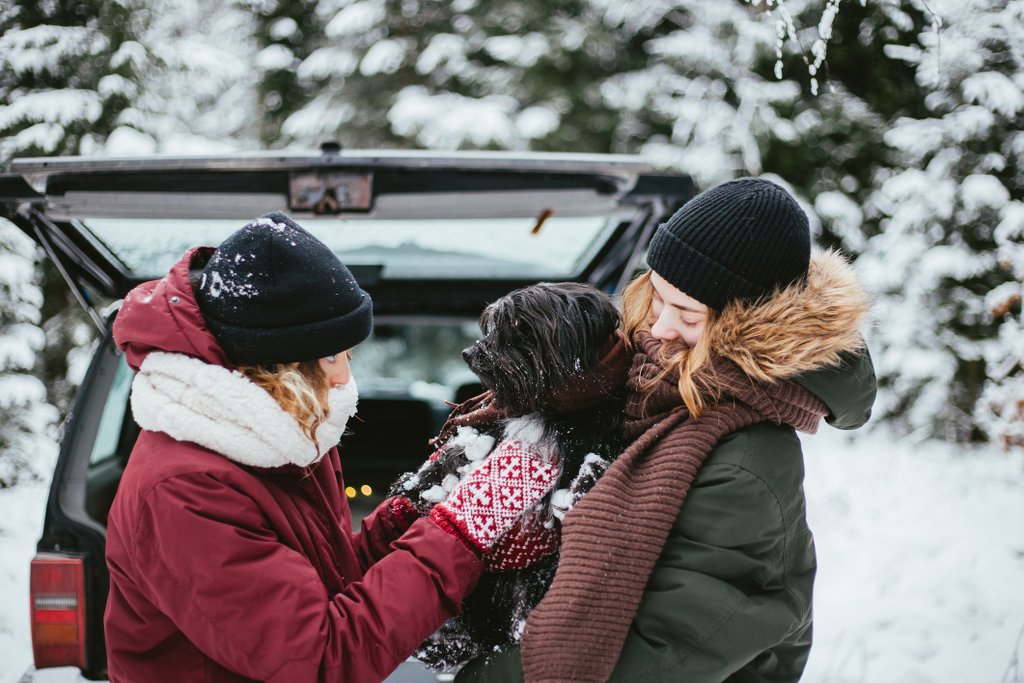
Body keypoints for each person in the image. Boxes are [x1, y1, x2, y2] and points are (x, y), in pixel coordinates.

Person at [103, 212, 558, 683]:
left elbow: (328, 578)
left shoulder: (278, 436)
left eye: (348, 354)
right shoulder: (183, 491)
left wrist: (415, 512)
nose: (344, 377)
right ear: (277, 365)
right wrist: (462, 531)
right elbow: (321, 658)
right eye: (330, 356)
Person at [456, 177, 878, 682]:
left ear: (743, 325)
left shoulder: (747, 458)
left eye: (687, 313)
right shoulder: (648, 380)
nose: (656, 328)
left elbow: (664, 647)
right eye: (656, 297)